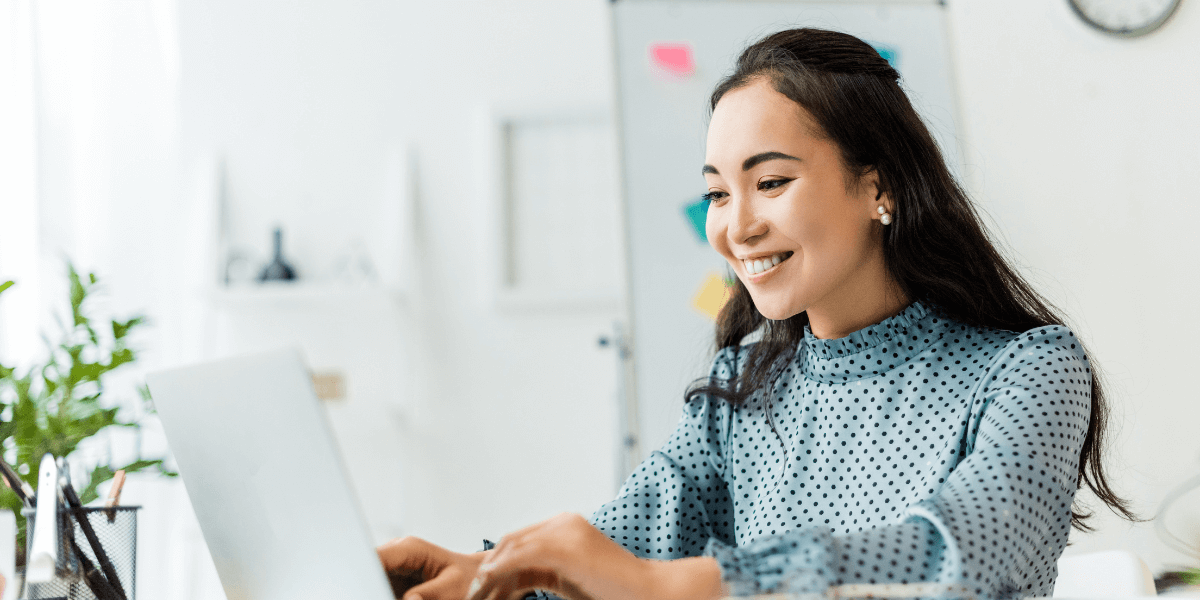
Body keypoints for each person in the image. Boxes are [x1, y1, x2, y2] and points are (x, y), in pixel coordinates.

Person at [376, 28, 1134, 600]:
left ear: (880, 188)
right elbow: (616, 545)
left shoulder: (1030, 369)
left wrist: (678, 588)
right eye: (716, 193)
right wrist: (482, 573)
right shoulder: (742, 387)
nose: (735, 226)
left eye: (770, 182)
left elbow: (956, 557)